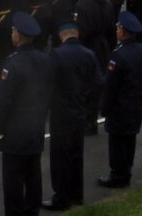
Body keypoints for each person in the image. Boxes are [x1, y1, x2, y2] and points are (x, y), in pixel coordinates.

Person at [0, 12, 53, 216]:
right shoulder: (45, 59)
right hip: (35, 128)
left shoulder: (13, 64)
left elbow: (5, 103)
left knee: (13, 180)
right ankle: (32, 210)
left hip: (15, 132)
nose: (12, 34)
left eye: (13, 31)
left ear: (18, 35)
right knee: (33, 175)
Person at [42, 21, 102, 212]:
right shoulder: (89, 55)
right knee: (76, 155)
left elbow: (48, 84)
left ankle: (61, 197)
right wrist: (86, 103)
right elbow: (98, 83)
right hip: (79, 111)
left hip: (61, 114)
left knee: (60, 157)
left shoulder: (57, 55)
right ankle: (77, 194)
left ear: (61, 36)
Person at [97, 10, 142, 188]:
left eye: (118, 28)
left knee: (117, 143)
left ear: (123, 31)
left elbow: (111, 86)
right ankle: (125, 171)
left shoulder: (118, 55)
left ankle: (117, 175)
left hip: (120, 107)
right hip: (135, 104)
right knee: (129, 140)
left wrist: (104, 108)